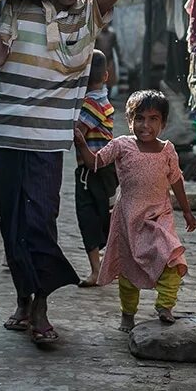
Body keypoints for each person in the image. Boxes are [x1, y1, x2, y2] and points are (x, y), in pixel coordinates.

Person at [0, 0, 133, 347]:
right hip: (4, 134)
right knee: (11, 223)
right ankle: (24, 301)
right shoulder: (19, 5)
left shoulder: (91, 15)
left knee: (40, 222)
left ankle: (42, 307)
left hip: (47, 144)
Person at [75, 89, 196, 331]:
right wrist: (81, 142)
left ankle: (165, 305)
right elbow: (95, 163)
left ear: (163, 123)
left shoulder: (167, 150)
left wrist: (186, 211)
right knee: (128, 272)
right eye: (140, 118)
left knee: (172, 258)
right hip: (128, 218)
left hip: (159, 217)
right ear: (130, 121)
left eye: (153, 119)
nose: (146, 125)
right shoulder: (121, 146)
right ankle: (127, 315)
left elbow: (177, 181)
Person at [73, 49, 117, 287]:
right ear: (106, 75)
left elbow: (77, 130)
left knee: (88, 216)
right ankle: (108, 266)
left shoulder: (91, 103)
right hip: (106, 170)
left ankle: (97, 270)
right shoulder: (102, 99)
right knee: (107, 215)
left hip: (91, 172)